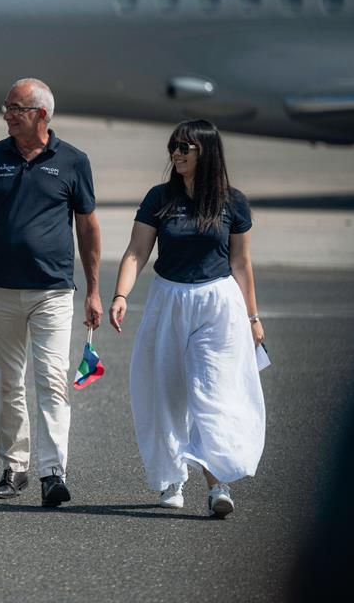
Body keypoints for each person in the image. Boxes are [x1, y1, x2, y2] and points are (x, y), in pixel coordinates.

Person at [108, 119, 266, 518]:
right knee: (166, 392)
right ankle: (171, 476)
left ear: (206, 152)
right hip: (168, 298)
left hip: (219, 303)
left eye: (185, 147)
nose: (176, 154)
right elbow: (136, 251)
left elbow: (241, 264)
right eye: (173, 147)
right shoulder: (159, 198)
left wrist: (253, 317)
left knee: (213, 393)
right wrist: (121, 294)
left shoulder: (233, 202)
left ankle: (218, 485)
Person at [0, 78, 103, 508]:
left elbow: (88, 228)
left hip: (53, 291)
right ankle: (15, 467)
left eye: (15, 108)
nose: (6, 114)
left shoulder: (74, 161)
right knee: (8, 382)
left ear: (41, 114)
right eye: (6, 107)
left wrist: (95, 291)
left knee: (52, 380)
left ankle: (52, 472)